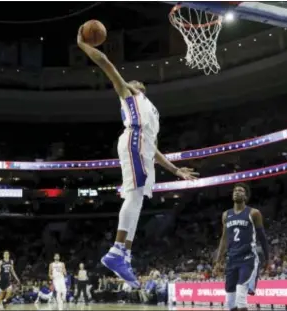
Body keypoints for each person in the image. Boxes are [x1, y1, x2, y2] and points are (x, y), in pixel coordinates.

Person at [77, 24, 199, 288]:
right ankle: (116, 251)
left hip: (143, 145)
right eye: (130, 81)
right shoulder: (128, 95)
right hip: (133, 140)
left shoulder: (150, 108)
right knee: (133, 195)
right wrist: (83, 45)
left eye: (136, 82)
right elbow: (106, 63)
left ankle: (124, 254)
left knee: (139, 199)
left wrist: (175, 169)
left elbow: (153, 149)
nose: (133, 81)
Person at [213, 183, 269, 311]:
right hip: (232, 259)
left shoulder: (254, 213)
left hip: (247, 258)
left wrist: (267, 258)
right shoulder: (226, 215)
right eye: (235, 190)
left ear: (246, 196)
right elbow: (224, 239)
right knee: (230, 302)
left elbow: (262, 237)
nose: (237, 192)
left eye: (240, 190)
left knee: (241, 296)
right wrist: (218, 260)